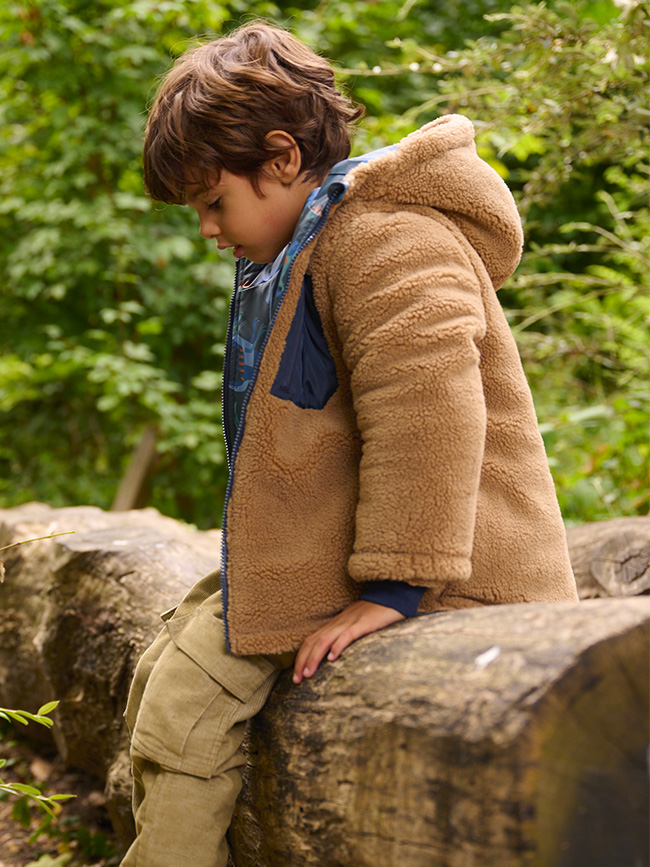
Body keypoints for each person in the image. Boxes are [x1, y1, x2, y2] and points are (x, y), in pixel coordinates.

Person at [121, 20, 578, 867]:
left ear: (283, 159)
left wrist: (395, 585)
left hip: (456, 576)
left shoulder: (383, 238)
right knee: (164, 663)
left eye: (214, 203)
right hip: (351, 556)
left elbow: (429, 413)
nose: (208, 232)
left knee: (188, 703)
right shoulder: (309, 244)